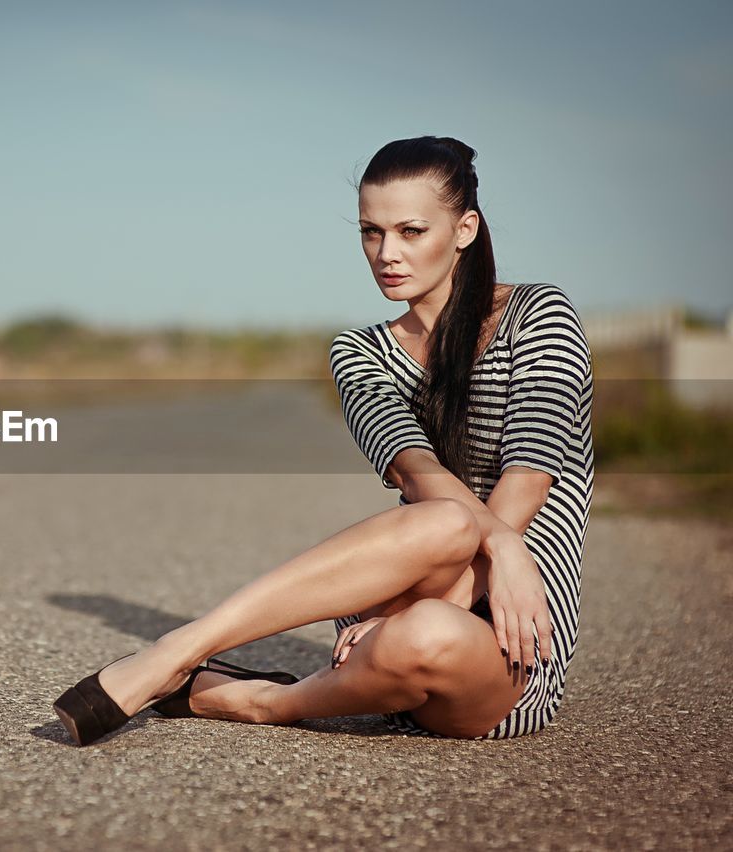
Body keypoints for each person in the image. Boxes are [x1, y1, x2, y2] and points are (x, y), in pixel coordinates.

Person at [53, 135, 595, 745]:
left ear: (464, 228)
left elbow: (533, 468)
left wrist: (502, 553)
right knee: (443, 520)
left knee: (426, 630)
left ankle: (267, 701)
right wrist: (472, 558)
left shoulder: (540, 314)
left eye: (411, 231)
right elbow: (416, 471)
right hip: (395, 604)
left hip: (506, 633)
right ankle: (178, 649)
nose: (386, 253)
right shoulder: (359, 352)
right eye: (371, 231)